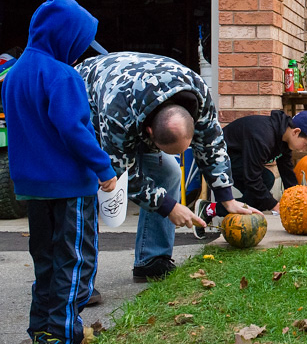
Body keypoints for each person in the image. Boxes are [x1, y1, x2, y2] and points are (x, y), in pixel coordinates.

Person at [1, 0, 117, 344]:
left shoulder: (14, 74)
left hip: (33, 186)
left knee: (46, 257)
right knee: (75, 259)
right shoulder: (63, 75)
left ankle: (40, 330)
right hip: (69, 185)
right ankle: (64, 336)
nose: (79, 51)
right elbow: (74, 129)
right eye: (78, 42)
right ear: (64, 37)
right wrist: (104, 169)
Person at [75, 52, 257, 281]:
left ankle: (152, 262)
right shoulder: (118, 112)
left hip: (140, 105)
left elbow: (212, 144)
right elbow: (119, 172)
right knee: (90, 184)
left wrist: (225, 197)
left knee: (169, 171)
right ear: (149, 133)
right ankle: (79, 282)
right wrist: (168, 205)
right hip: (89, 102)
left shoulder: (198, 93)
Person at [214, 109, 307, 218]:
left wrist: (297, 198)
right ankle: (213, 209)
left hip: (240, 161)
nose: (303, 149)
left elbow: (286, 171)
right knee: (264, 184)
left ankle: (216, 210)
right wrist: (275, 206)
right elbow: (252, 179)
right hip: (220, 160)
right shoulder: (263, 137)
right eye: (306, 144)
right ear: (296, 132)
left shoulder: (284, 138)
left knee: (262, 192)